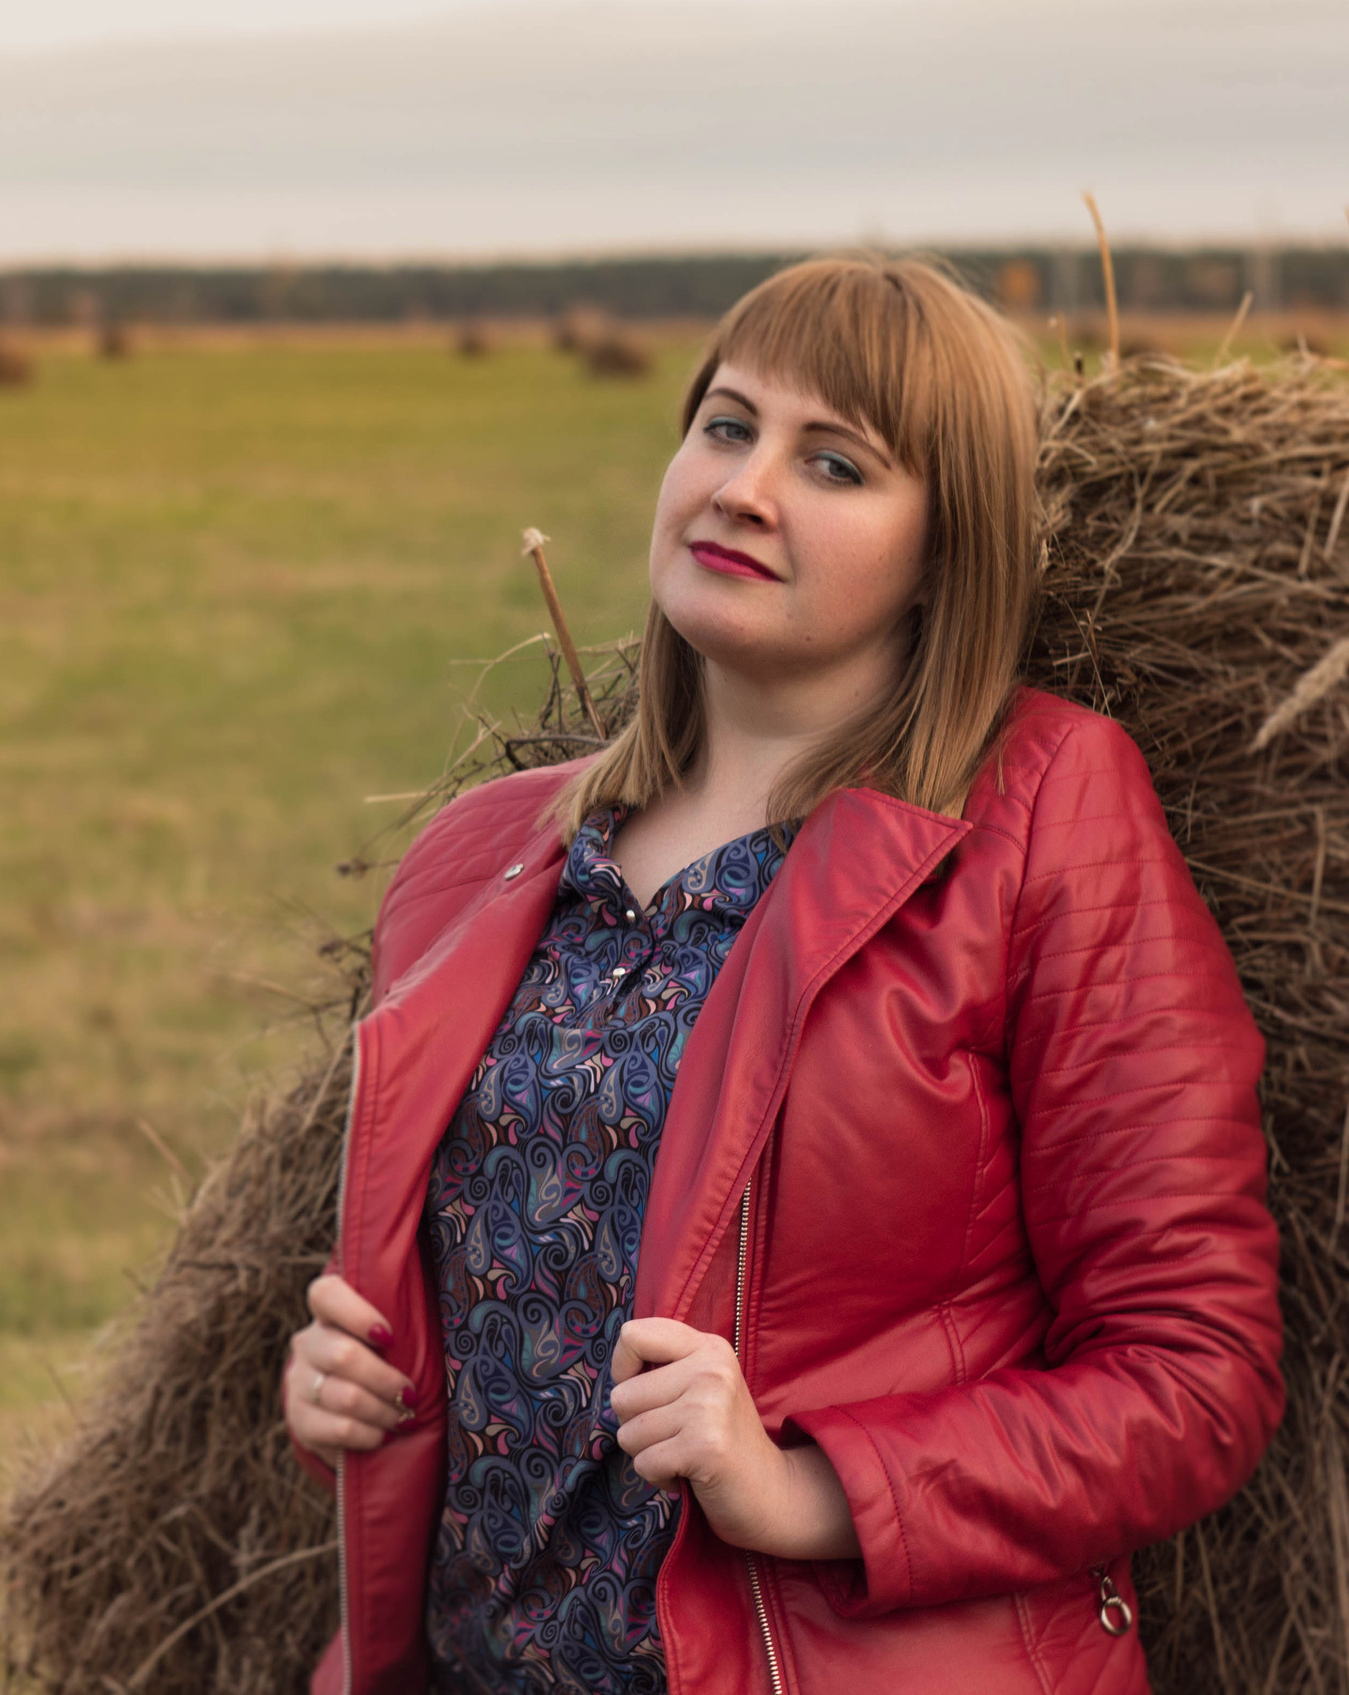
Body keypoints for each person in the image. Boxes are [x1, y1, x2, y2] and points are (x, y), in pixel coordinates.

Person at [279, 255, 1282, 1694]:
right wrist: (356, 1396)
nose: (745, 490)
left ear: (948, 550)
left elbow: (1195, 1370)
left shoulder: (1040, 817)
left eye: (836, 464)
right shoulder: (479, 856)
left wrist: (813, 1491)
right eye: (729, 426)